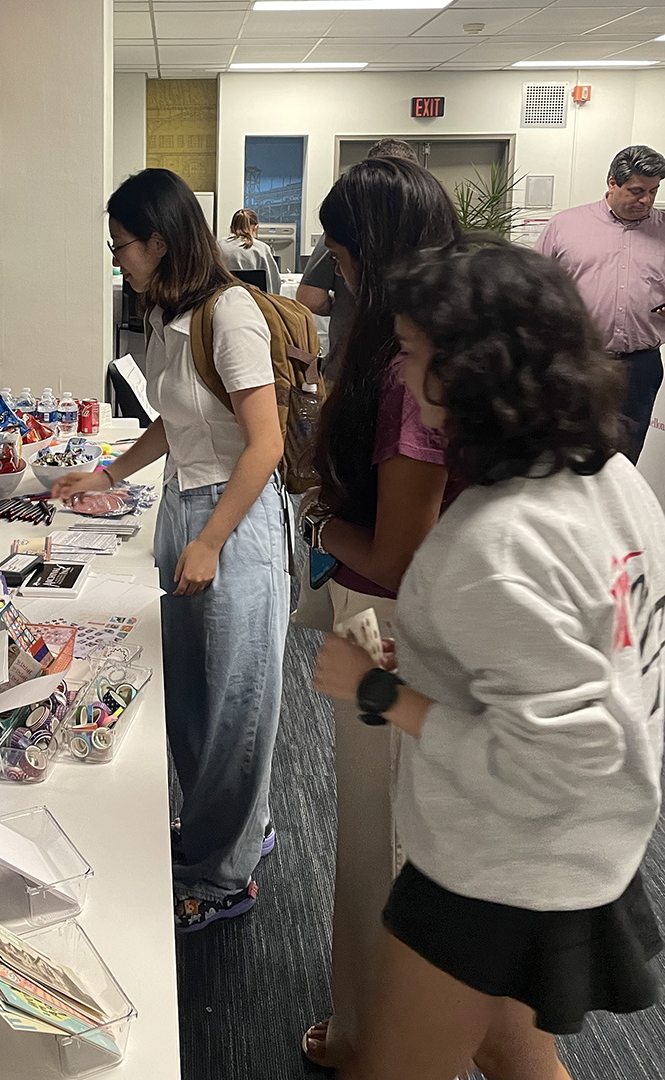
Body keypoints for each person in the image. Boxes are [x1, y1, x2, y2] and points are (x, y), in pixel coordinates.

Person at [313, 237, 665, 1080]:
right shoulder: (610, 477)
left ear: (469, 371)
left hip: (498, 862)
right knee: (513, 1051)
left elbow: (559, 753)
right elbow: (584, 650)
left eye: (411, 352)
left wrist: (384, 695)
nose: (400, 371)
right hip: (581, 846)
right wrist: (441, 662)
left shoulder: (495, 543)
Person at [53, 168, 290, 932]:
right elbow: (176, 422)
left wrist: (213, 540)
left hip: (234, 520)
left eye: (123, 245)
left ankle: (224, 878)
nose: (116, 258)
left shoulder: (232, 316)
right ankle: (228, 832)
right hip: (184, 513)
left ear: (160, 241)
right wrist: (109, 474)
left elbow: (266, 444)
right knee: (191, 700)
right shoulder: (166, 317)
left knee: (236, 706)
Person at [299, 156, 462, 1067]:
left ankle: (377, 1041)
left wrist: (322, 519)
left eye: (340, 252)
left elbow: (398, 555)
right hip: (401, 626)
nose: (336, 271)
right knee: (386, 837)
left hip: (389, 634)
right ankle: (374, 1029)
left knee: (381, 842)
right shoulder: (439, 347)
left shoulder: (416, 371)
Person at [536, 144, 665, 463]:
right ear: (611, 182)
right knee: (568, 451)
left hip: (640, 365)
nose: (646, 200)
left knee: (625, 456)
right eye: (636, 190)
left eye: (653, 190)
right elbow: (533, 288)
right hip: (577, 360)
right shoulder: (565, 225)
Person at [297, 139, 419, 383]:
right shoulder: (434, 235)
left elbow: (309, 297)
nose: (341, 273)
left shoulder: (344, 227)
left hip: (349, 372)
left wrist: (342, 307)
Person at [217, 208, 281, 294]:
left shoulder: (217, 246)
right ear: (256, 227)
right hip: (254, 300)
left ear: (231, 227)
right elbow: (273, 282)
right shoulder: (262, 248)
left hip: (222, 298)